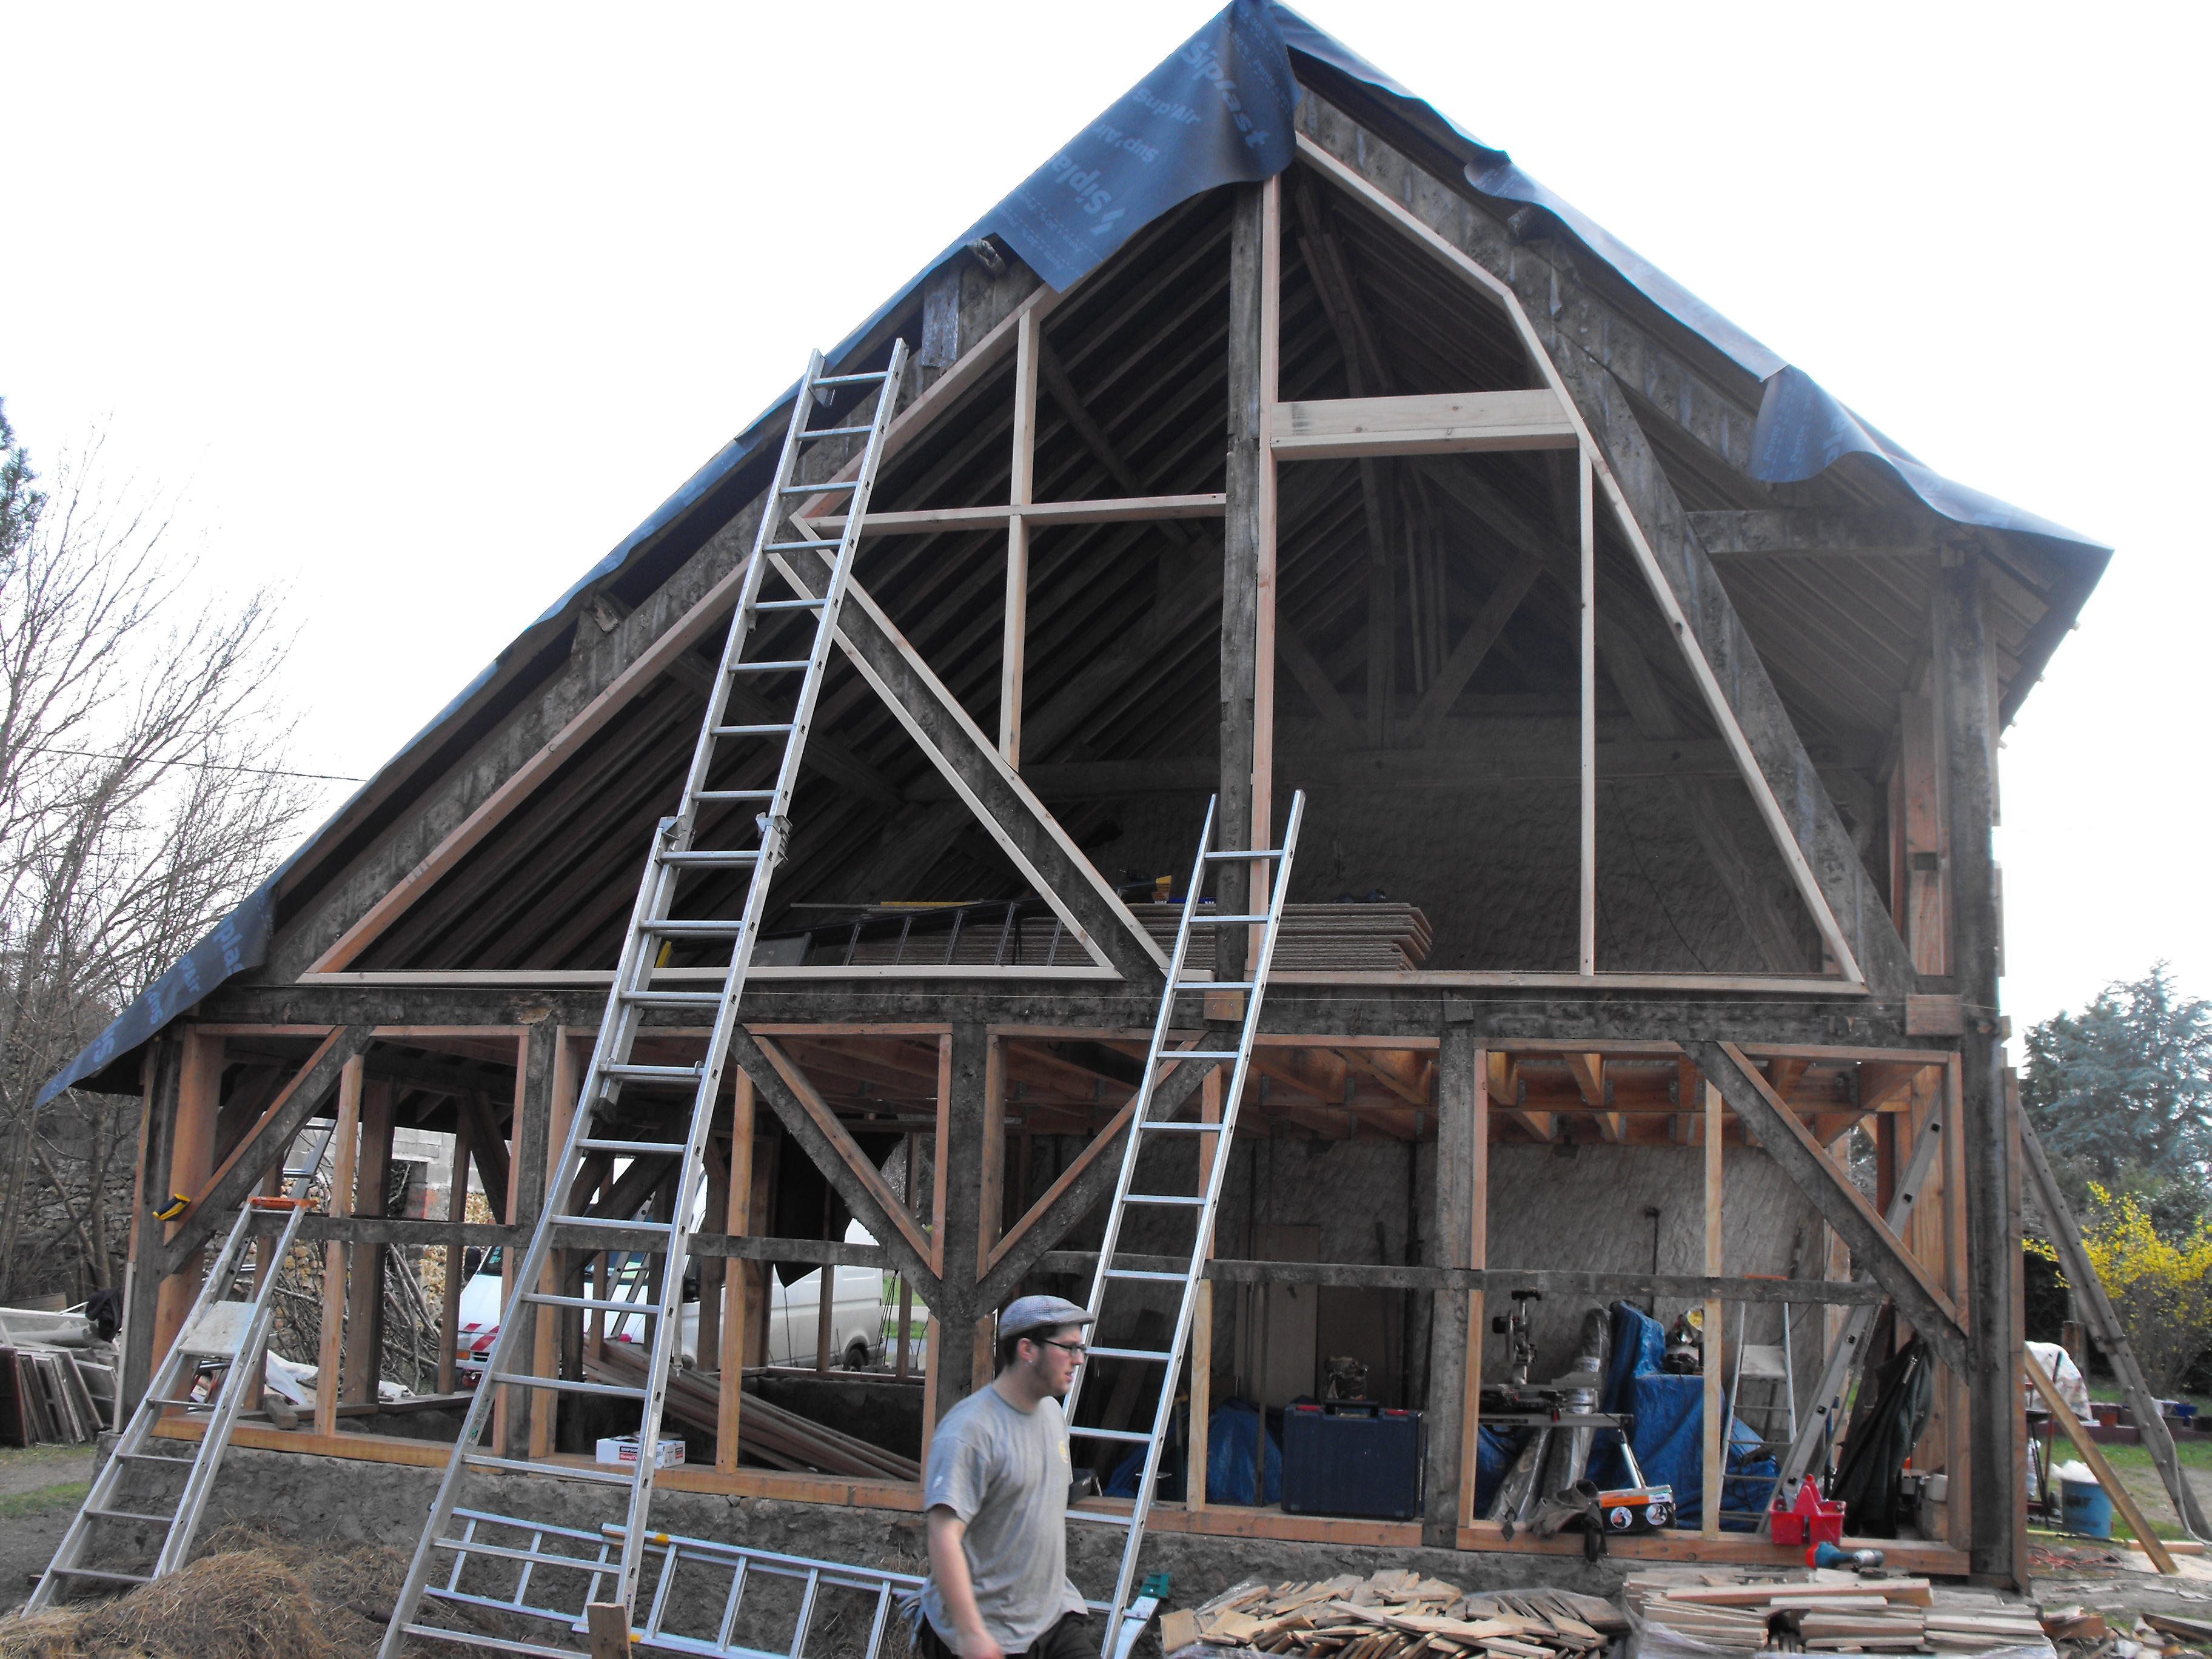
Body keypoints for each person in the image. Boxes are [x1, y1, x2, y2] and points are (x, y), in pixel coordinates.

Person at [918, 1294, 1097, 1659]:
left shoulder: (1051, 1415)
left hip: (1051, 1616)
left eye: (1081, 1348)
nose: (1078, 1359)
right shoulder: (970, 1431)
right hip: (989, 1633)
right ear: (1028, 1350)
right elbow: (943, 1536)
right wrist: (972, 1636)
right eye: (1068, 1348)